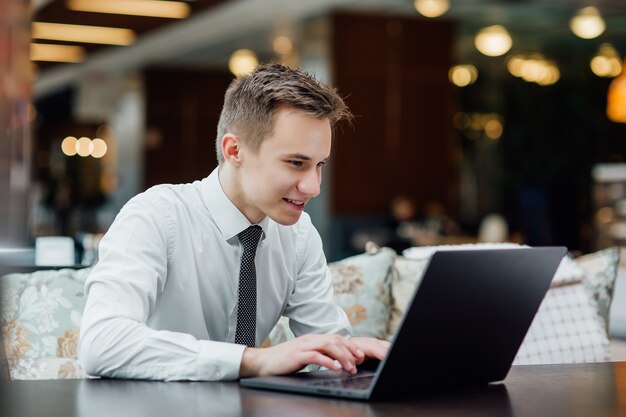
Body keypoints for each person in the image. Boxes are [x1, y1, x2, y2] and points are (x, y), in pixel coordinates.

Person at [78, 63, 390, 381]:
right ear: (234, 150)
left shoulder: (300, 234)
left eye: (319, 165)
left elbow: (326, 346)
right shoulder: (155, 215)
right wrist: (251, 361)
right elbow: (101, 343)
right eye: (296, 163)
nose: (313, 186)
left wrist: (350, 352)